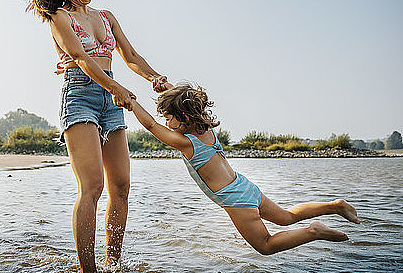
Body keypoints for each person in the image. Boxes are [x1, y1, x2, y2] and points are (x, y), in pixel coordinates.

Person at [13, 0, 169, 273]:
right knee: (92, 186)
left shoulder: (106, 17)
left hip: (111, 96)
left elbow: (130, 57)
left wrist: (155, 77)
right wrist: (116, 89)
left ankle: (114, 266)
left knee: (122, 186)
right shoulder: (59, 17)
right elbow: (82, 59)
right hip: (80, 95)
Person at [129, 83, 360, 255]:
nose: (167, 124)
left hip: (236, 199)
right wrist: (168, 89)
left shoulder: (186, 143)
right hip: (245, 186)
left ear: (184, 117)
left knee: (266, 246)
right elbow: (187, 104)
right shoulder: (206, 131)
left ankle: (313, 231)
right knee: (287, 217)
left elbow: (150, 124)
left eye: (169, 118)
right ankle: (334, 206)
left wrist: (131, 102)